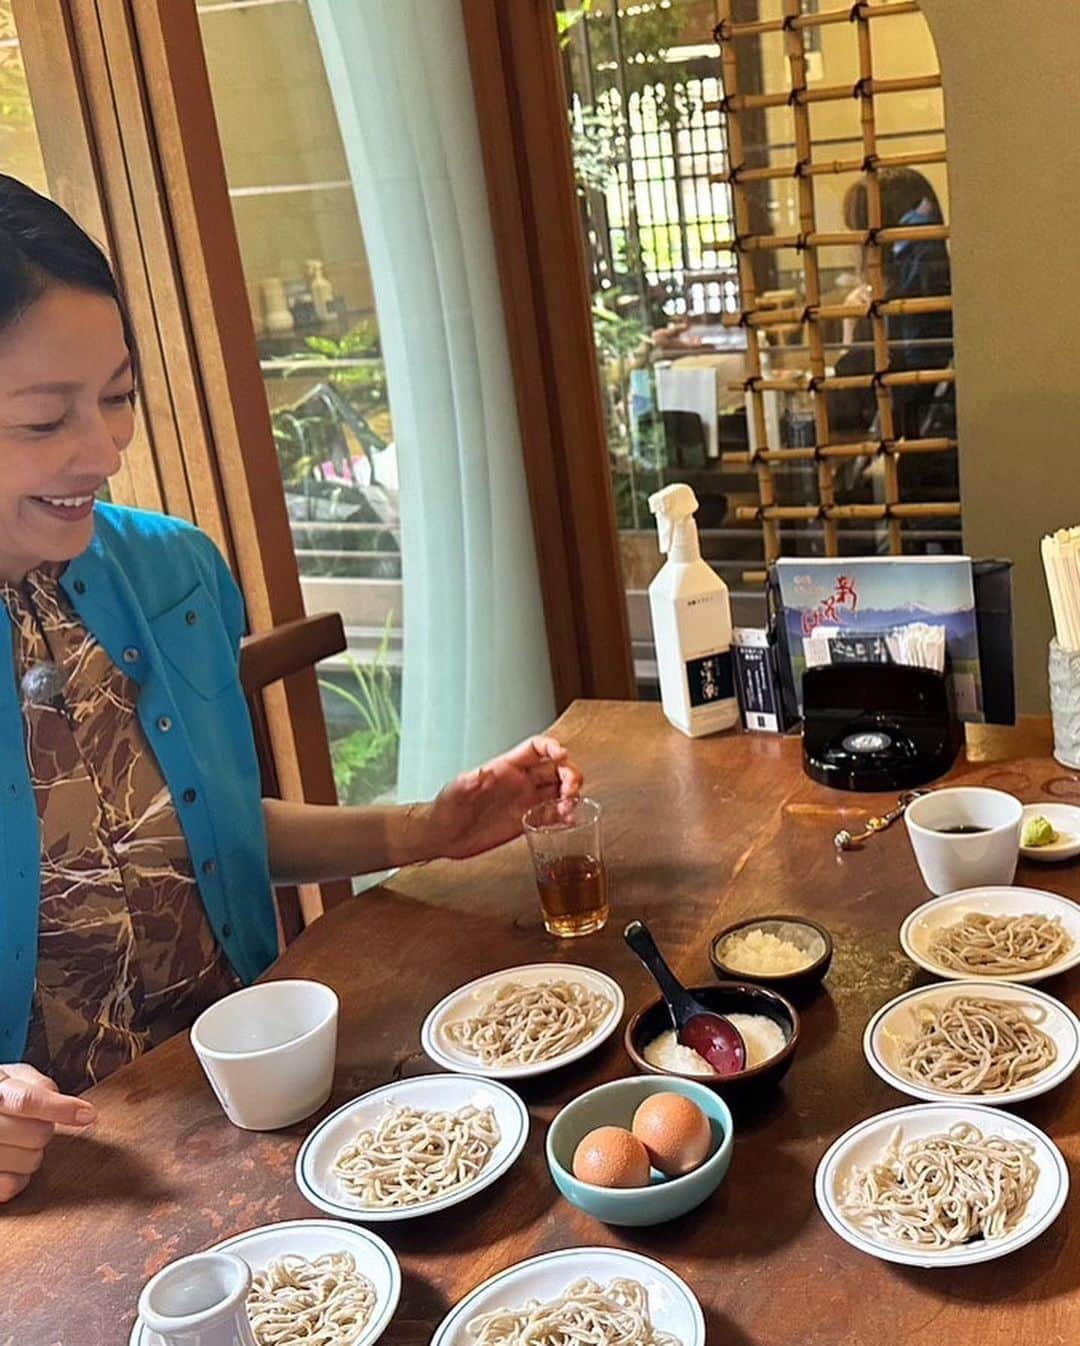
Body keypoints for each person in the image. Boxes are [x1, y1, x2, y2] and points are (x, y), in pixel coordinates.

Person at [0, 175, 583, 1203]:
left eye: (119, 395)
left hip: (258, 1104)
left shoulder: (168, 574)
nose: (103, 449)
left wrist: (421, 831)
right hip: (68, 1185)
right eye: (45, 419)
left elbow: (197, 831)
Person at [831, 167, 956, 507]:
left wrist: (855, 327)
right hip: (948, 455)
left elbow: (853, 404)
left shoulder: (901, 306)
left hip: (927, 466)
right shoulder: (941, 285)